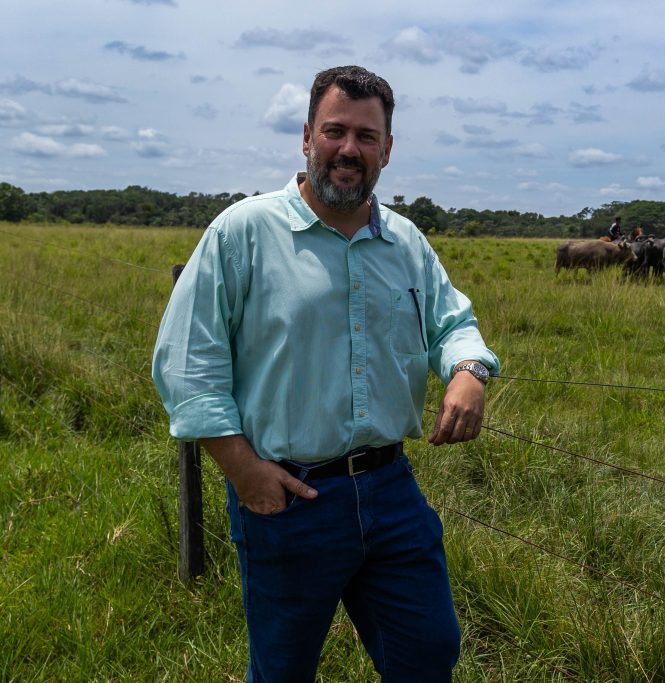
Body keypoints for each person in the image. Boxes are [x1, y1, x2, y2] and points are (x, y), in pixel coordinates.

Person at [152, 65, 499, 683]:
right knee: (283, 670)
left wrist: (469, 371)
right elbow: (188, 362)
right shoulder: (244, 232)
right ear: (306, 137)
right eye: (334, 131)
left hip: (392, 491)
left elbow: (454, 325)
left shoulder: (406, 243)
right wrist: (243, 469)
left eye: (367, 137)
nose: (349, 149)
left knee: (428, 654)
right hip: (290, 496)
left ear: (387, 150)